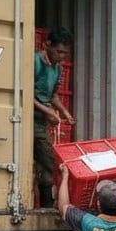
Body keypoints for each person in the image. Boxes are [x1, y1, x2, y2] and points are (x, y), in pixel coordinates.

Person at [33, 28, 75, 206]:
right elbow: (24, 93)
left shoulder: (57, 68)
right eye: (59, 52)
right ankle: (52, 205)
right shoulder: (35, 61)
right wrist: (47, 111)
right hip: (31, 119)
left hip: (42, 121)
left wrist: (65, 112)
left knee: (46, 169)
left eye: (65, 53)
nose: (62, 56)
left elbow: (53, 95)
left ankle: (45, 206)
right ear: (47, 46)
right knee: (51, 162)